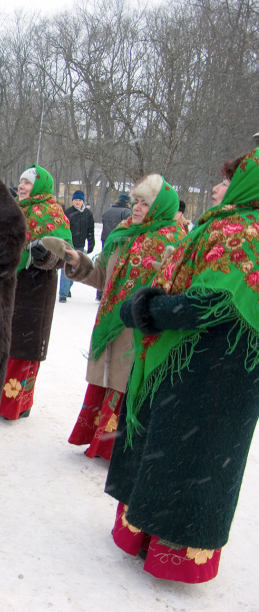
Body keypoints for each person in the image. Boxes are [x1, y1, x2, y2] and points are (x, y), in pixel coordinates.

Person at [105, 149, 259, 583]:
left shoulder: (244, 231)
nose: (214, 188)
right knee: (177, 452)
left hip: (213, 368)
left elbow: (213, 300)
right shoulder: (226, 227)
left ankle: (168, 549)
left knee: (191, 456)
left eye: (226, 181)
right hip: (199, 364)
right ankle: (151, 538)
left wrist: (149, 309)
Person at [62, 175, 185, 460]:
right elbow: (102, 273)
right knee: (107, 378)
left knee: (127, 383)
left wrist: (168, 272)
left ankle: (117, 449)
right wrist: (77, 262)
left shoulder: (176, 241)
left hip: (140, 331)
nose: (138, 208)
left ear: (161, 206)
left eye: (146, 203)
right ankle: (97, 440)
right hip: (110, 321)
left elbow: (180, 290)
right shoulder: (124, 233)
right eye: (136, 202)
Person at [0, 165, 70, 420]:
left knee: (23, 349)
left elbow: (64, 256)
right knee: (3, 345)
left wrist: (46, 256)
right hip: (8, 287)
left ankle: (16, 404)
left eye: (28, 183)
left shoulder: (53, 214)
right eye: (21, 181)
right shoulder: (14, 210)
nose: (22, 186)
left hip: (35, 291)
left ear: (40, 186)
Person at [59, 190, 94, 303]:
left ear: (82, 201)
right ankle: (62, 294)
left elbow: (90, 230)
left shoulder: (88, 214)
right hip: (69, 245)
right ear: (72, 200)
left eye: (79, 200)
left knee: (75, 269)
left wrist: (91, 243)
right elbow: (63, 228)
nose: (77, 202)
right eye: (75, 200)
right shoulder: (68, 212)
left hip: (80, 245)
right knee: (66, 268)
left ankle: (68, 288)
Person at [98, 193, 133, 300]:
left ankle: (99, 292)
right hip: (119, 241)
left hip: (107, 240)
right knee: (114, 267)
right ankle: (110, 291)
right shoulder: (127, 212)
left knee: (103, 264)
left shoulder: (107, 211)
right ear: (128, 203)